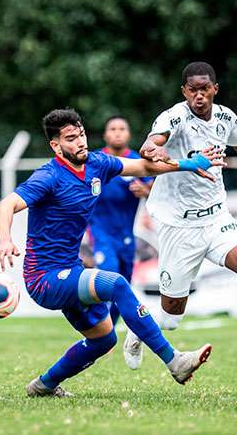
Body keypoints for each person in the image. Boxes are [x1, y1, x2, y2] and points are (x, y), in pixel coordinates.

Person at [0, 108, 221, 397]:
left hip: (71, 270)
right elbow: (5, 206)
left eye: (82, 135)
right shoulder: (48, 177)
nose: (80, 142)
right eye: (71, 138)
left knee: (103, 338)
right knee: (115, 283)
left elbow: (144, 168)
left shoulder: (97, 164)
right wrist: (4, 239)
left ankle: (43, 385)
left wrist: (189, 164)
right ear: (56, 145)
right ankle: (175, 361)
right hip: (43, 279)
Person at [124, 62, 237, 381]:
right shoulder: (173, 117)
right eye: (193, 89)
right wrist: (161, 153)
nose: (199, 95)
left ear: (214, 89)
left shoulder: (225, 117)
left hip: (216, 217)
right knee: (172, 315)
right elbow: (149, 146)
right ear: (184, 92)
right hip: (179, 224)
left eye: (205, 88)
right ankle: (139, 328)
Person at [87, 116, 152, 322]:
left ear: (128, 134)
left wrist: (146, 191)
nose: (117, 132)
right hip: (101, 233)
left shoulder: (137, 162)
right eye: (112, 129)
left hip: (126, 235)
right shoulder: (95, 161)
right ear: (106, 135)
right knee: (109, 279)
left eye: (122, 128)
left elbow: (156, 190)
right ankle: (95, 328)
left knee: (123, 286)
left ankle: (109, 332)